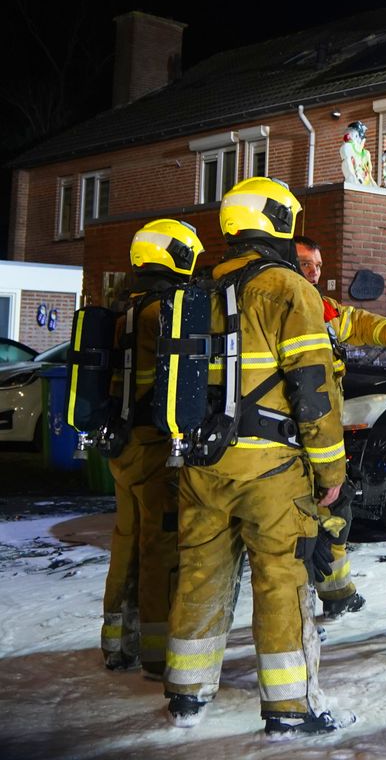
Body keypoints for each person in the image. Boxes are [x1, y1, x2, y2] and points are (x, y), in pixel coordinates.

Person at [163, 177, 352, 737]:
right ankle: (290, 708)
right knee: (281, 582)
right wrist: (331, 470)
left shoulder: (196, 288)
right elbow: (312, 388)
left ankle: (186, 696)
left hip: (202, 464)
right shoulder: (287, 289)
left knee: (198, 576)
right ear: (275, 222)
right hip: (271, 472)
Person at [294, 235, 386, 618]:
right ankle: (303, 612)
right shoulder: (283, 307)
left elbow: (353, 320)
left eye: (317, 266)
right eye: (305, 264)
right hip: (293, 440)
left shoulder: (321, 307)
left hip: (320, 436)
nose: (313, 273)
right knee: (310, 521)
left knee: (335, 512)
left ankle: (336, 593)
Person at [100, 219, 204, 677]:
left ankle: (116, 642)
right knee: (162, 546)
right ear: (177, 257)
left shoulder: (126, 307)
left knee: (126, 542)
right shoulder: (162, 311)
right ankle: (158, 654)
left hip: (122, 445)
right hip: (154, 447)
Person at [340, 121, 373, 186]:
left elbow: (369, 176)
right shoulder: (347, 147)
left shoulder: (366, 154)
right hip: (355, 185)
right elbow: (349, 170)